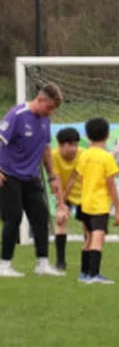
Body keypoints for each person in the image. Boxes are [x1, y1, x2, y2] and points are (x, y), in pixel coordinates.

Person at [0, 83, 66, 277]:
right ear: (40, 100)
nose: (51, 112)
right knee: (13, 218)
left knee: (40, 217)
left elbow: (46, 149)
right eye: (49, 107)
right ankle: (4, 265)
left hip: (31, 176)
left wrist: (52, 176)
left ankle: (42, 264)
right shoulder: (16, 115)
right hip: (9, 175)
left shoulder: (45, 120)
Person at [66, 117, 119, 284]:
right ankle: (94, 274)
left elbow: (80, 178)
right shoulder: (107, 158)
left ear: (88, 136)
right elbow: (111, 185)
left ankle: (84, 273)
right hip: (99, 205)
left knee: (89, 238)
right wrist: (118, 209)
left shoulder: (84, 156)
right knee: (98, 237)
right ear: (107, 135)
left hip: (84, 203)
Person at [52, 126, 85, 271]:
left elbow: (73, 179)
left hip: (83, 194)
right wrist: (61, 204)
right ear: (61, 145)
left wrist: (62, 202)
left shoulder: (83, 154)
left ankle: (88, 262)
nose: (74, 148)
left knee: (87, 227)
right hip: (62, 193)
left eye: (76, 144)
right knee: (60, 221)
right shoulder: (53, 156)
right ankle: (60, 261)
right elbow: (57, 179)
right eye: (71, 145)